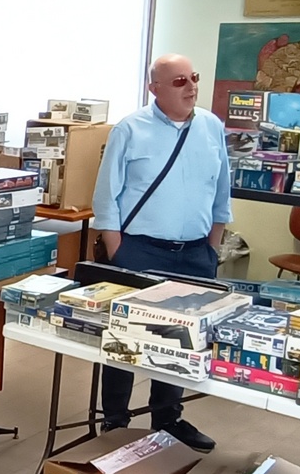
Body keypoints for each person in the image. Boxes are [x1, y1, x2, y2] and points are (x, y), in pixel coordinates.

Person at [90, 54, 229, 453]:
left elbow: (222, 192)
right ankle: (115, 420)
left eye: (194, 77)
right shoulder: (130, 129)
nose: (192, 86)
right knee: (124, 339)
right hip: (139, 251)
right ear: (155, 88)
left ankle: (168, 417)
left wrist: (212, 247)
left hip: (195, 254)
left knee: (180, 341)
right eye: (180, 80)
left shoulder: (211, 127)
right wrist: (118, 250)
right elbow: (106, 196)